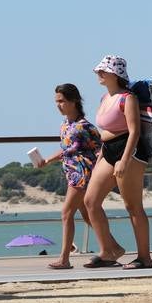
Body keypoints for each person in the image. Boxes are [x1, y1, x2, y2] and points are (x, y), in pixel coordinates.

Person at [83, 55, 152, 270]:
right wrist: (101, 156)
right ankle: (109, 251)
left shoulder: (127, 98)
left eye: (103, 71)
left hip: (129, 152)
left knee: (133, 206)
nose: (99, 74)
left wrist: (124, 160)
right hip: (108, 151)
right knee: (90, 201)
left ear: (114, 74)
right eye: (99, 71)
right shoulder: (105, 98)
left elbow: (134, 131)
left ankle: (144, 258)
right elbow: (106, 131)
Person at [38, 83, 101, 269]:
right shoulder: (65, 125)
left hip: (82, 174)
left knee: (66, 213)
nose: (58, 105)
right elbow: (67, 149)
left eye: (62, 101)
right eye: (57, 102)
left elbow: (100, 150)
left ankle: (64, 259)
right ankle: (111, 248)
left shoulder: (84, 127)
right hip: (71, 174)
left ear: (74, 101)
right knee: (88, 215)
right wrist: (47, 160)